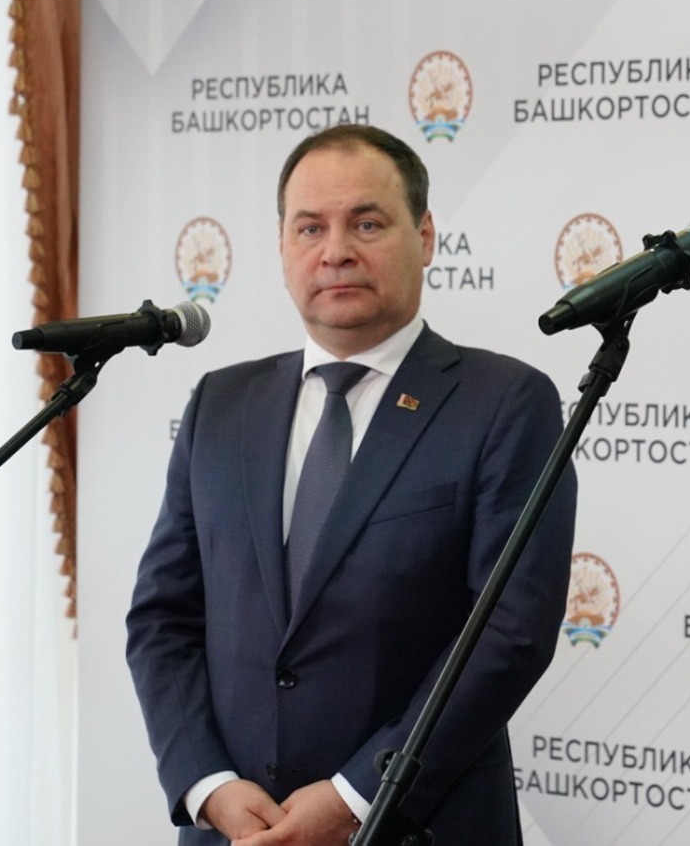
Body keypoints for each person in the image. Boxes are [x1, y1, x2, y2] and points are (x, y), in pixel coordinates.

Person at [127, 125, 577, 845]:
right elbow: (163, 617)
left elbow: (510, 632)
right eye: (310, 227)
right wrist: (206, 783)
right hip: (234, 828)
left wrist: (356, 796)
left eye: (367, 223)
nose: (335, 250)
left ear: (424, 237)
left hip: (412, 824)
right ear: (282, 247)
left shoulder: (503, 403)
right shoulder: (222, 403)